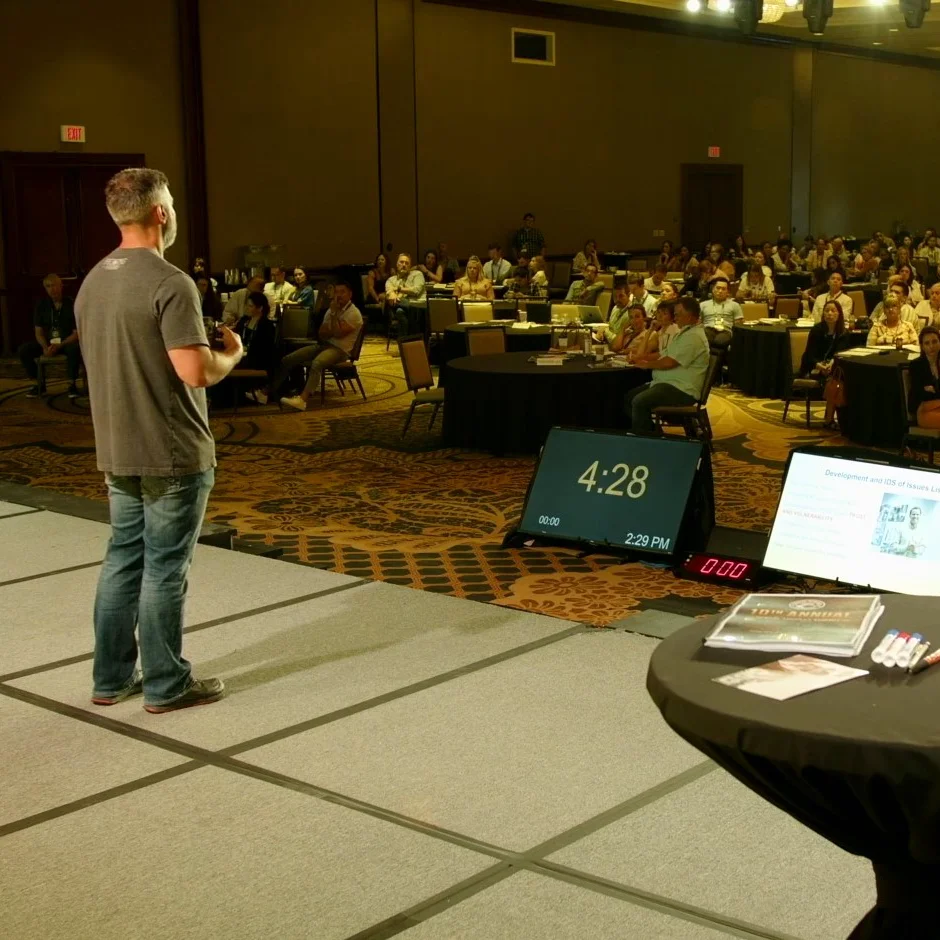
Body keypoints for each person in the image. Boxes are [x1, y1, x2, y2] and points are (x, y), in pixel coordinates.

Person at [75, 167, 242, 713]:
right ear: (161, 213)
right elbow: (194, 371)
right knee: (165, 568)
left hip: (116, 447)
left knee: (123, 559)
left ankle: (110, 677)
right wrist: (233, 355)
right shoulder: (171, 283)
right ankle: (167, 683)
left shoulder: (94, 279)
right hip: (170, 449)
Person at [625, 297, 710, 436]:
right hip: (667, 383)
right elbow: (663, 354)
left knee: (639, 401)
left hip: (682, 389)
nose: (675, 318)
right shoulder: (685, 332)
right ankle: (653, 435)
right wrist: (641, 358)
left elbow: (669, 362)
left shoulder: (694, 337)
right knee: (629, 397)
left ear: (690, 315)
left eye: (678, 314)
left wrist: (647, 365)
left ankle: (645, 441)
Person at [276, 279, 363, 411]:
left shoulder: (354, 313)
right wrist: (332, 328)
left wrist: (334, 316)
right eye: (336, 292)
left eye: (342, 292)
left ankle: (302, 400)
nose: (338, 295)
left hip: (340, 351)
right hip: (324, 345)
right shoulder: (331, 309)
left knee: (317, 363)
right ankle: (269, 392)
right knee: (289, 358)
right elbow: (322, 333)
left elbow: (338, 334)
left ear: (350, 294)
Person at [18, 273, 82, 399]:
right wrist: (45, 347)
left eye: (54, 285)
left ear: (61, 286)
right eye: (48, 286)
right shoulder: (41, 305)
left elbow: (77, 334)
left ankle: (72, 384)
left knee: (75, 348)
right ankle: (38, 383)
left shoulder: (72, 304)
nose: (52, 289)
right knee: (24, 349)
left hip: (66, 342)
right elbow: (38, 331)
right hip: (48, 342)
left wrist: (60, 345)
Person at [801, 301, 853, 378]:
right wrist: (819, 366)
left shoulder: (843, 333)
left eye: (833, 310)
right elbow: (809, 355)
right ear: (823, 313)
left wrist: (831, 364)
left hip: (834, 367)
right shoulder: (816, 330)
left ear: (839, 314)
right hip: (814, 366)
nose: (829, 313)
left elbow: (840, 354)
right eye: (827, 310)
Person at [385, 253, 426, 334]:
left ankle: (403, 343)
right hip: (407, 309)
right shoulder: (391, 280)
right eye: (401, 262)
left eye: (407, 263)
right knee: (398, 309)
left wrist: (398, 289)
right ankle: (408, 342)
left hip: (419, 306)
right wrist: (392, 295)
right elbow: (390, 294)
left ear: (410, 266)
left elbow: (416, 291)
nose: (404, 265)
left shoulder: (417, 274)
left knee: (400, 311)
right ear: (397, 264)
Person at [909, 326, 940, 428]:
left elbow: (932, 391)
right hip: (924, 411)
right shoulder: (916, 365)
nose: (931, 346)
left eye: (934, 341)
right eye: (927, 343)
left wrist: (933, 389)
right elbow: (919, 394)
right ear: (922, 346)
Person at [699, 278, 743, 350]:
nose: (720, 291)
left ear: (727, 292)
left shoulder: (735, 305)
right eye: (718, 288)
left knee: (719, 341)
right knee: (705, 337)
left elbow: (739, 325)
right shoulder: (703, 305)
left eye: (723, 289)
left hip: (726, 330)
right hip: (708, 329)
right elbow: (698, 323)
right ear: (713, 290)